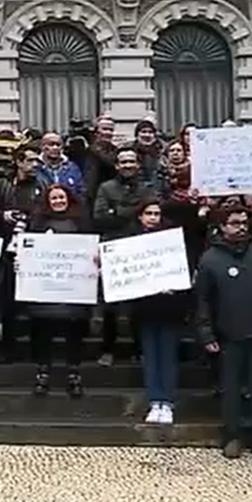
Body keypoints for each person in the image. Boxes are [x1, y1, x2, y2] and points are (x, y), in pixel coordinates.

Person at [195, 204, 252, 460]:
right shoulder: (210, 258)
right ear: (222, 226)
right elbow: (203, 301)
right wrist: (206, 333)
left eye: (244, 222)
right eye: (234, 223)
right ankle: (233, 436)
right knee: (230, 391)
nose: (241, 227)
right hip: (228, 335)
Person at [21, 184, 91, 397]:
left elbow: (90, 248)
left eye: (62, 197)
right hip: (44, 292)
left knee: (74, 333)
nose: (58, 201)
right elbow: (26, 252)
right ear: (47, 201)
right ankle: (43, 371)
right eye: (54, 198)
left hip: (74, 290)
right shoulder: (37, 222)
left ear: (69, 199)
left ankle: (73, 372)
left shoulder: (82, 222)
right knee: (42, 332)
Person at [130, 199, 191, 425]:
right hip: (144, 308)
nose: (153, 217)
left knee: (167, 356)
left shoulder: (172, 240)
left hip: (169, 307)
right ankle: (155, 401)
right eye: (148, 213)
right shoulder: (131, 240)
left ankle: (168, 402)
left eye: (156, 213)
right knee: (151, 357)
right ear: (140, 216)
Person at [93, 147, 155, 366]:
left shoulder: (148, 188)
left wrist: (117, 210)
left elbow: (152, 215)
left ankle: (140, 349)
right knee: (110, 305)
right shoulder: (106, 187)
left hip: (140, 248)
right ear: (117, 165)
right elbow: (100, 217)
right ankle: (107, 349)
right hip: (115, 248)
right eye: (123, 162)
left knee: (140, 304)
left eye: (131, 161)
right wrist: (133, 212)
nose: (127, 165)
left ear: (137, 164)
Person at [0, 143, 43, 362]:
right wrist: (3, 215)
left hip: (34, 249)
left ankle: (36, 350)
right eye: (30, 160)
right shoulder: (2, 186)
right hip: (8, 249)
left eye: (36, 160)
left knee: (34, 301)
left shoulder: (43, 184)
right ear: (19, 162)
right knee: (8, 300)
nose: (34, 164)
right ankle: (8, 348)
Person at [34, 132, 86, 201]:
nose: (55, 148)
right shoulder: (35, 167)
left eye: (58, 145)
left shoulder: (72, 168)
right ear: (42, 147)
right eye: (51, 144)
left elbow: (81, 192)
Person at [132, 119, 164, 191]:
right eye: (143, 132)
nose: (147, 135)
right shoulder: (129, 150)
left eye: (150, 132)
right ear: (137, 134)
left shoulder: (163, 151)